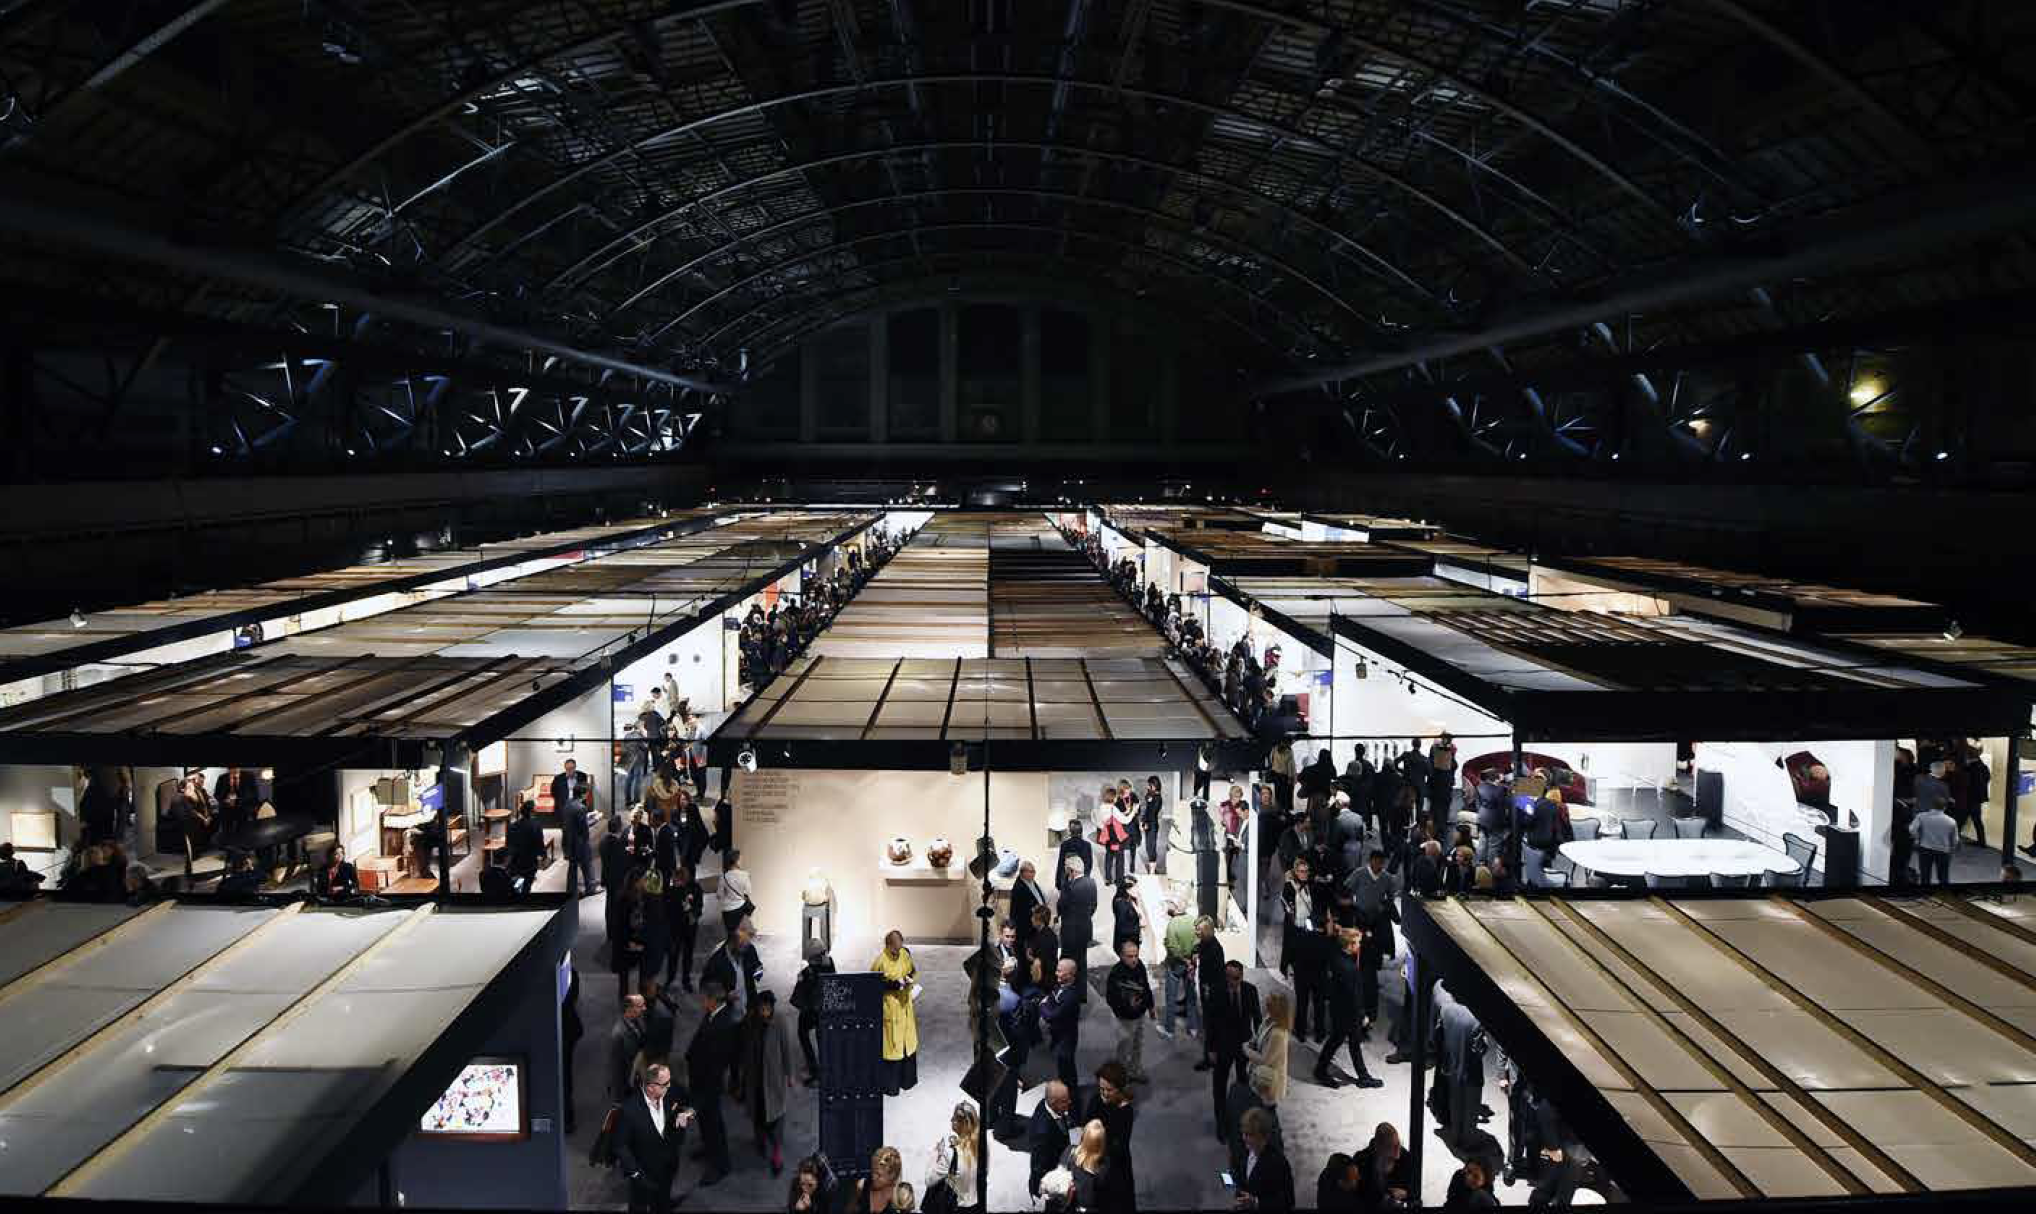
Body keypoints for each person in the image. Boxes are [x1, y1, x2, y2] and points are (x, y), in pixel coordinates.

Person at [615, 1061, 694, 1214]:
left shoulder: (673, 1091)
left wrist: (686, 1115)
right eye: (665, 1084)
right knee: (639, 1204)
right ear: (651, 1087)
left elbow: (688, 1103)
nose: (670, 1086)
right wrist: (635, 1173)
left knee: (662, 1199)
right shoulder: (629, 1110)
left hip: (668, 1163)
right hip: (643, 1171)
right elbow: (620, 1145)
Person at [1317, 928, 1386, 1089]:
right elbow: (1353, 996)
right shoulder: (1348, 967)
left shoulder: (1337, 958)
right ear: (1350, 945)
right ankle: (1322, 1071)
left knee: (1347, 1041)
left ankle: (1362, 1076)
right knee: (1340, 1040)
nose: (1360, 945)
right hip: (1347, 1013)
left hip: (1339, 1009)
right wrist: (1362, 1015)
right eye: (1358, 943)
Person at [686, 980, 738, 1186]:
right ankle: (708, 1148)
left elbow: (717, 1061)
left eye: (704, 998)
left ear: (712, 1000)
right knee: (705, 1120)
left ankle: (720, 1165)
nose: (702, 1002)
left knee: (713, 1123)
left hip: (709, 1083)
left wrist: (706, 1087)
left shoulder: (723, 1024)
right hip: (700, 1079)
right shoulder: (713, 1015)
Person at [740, 990, 798, 1175]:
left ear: (772, 1007)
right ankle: (760, 1140)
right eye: (761, 1008)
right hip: (755, 1077)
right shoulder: (751, 1021)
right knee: (758, 1110)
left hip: (773, 1078)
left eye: (767, 1008)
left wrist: (789, 1074)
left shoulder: (779, 1021)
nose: (764, 1011)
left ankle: (777, 1153)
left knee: (776, 1115)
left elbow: (786, 1048)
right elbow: (745, 1047)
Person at [1207, 960, 1262, 1142]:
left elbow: (1257, 1019)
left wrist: (1259, 1044)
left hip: (1244, 1045)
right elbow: (1210, 1022)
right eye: (1229, 977)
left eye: (1236, 978)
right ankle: (1221, 1125)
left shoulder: (1250, 991)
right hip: (1223, 1046)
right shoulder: (1216, 991)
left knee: (1244, 1085)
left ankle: (1244, 1123)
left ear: (1242, 976)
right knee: (1219, 1087)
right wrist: (1211, 1048)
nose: (1232, 982)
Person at [1082, 1061, 1138, 1205]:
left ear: (1120, 1089)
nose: (1104, 1094)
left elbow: (1118, 1146)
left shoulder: (1125, 1112)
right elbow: (1086, 1125)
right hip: (1094, 1156)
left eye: (1109, 1090)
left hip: (1114, 1164)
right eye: (1101, 1089)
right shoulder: (1096, 1100)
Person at [873, 929, 921, 1095]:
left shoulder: (904, 954)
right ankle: (891, 1086)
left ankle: (907, 1081)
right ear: (888, 946)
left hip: (905, 1007)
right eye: (895, 949)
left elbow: (913, 970)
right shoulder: (880, 961)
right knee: (893, 1047)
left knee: (907, 1044)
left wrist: (908, 979)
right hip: (891, 1010)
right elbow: (872, 985)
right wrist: (893, 985)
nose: (898, 952)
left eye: (900, 947)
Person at [1105, 938, 1155, 1083]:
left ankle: (1134, 1071)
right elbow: (1110, 998)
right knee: (1124, 1050)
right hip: (1125, 1019)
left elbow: (1145, 987)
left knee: (1137, 1045)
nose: (1134, 959)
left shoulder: (1140, 967)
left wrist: (1151, 1007)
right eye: (1130, 956)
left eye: (1136, 955)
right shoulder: (1116, 973)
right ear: (1121, 956)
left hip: (1139, 1016)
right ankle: (1120, 1079)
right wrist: (1126, 1006)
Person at [1234, 1106, 1295, 1211]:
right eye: (1243, 1133)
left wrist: (1256, 1203)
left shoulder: (1278, 1163)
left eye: (1249, 1135)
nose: (1244, 1138)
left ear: (1263, 1136)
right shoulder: (1244, 1153)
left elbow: (1288, 1201)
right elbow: (1240, 1179)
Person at [925, 1102, 982, 1211]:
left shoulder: (949, 1153)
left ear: (962, 1124)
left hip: (956, 1206)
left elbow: (929, 1180)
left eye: (954, 1118)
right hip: (975, 1203)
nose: (951, 1120)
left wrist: (936, 1154)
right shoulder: (982, 1147)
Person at [790, 944, 834, 1085]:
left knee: (803, 1033)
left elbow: (801, 993)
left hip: (811, 1010)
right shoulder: (830, 964)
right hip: (825, 1009)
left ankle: (815, 1071)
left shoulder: (808, 972)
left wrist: (803, 976)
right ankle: (826, 1070)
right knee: (822, 1038)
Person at [1160, 899, 1202, 1043]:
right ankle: (1193, 1028)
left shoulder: (1172, 925)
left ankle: (1169, 1029)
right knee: (1190, 996)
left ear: (1174, 908)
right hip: (1191, 965)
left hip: (1176, 965)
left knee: (1171, 997)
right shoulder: (1193, 921)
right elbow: (1198, 943)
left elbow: (1173, 948)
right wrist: (1192, 961)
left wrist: (1184, 960)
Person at [703, 917, 764, 1016]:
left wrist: (758, 970)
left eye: (750, 937)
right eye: (745, 939)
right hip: (727, 1015)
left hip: (747, 1008)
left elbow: (757, 965)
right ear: (734, 937)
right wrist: (725, 996)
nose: (748, 943)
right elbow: (707, 985)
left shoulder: (749, 949)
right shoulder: (717, 959)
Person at [1027, 1081, 1077, 1198]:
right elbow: (1040, 1165)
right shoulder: (1042, 1133)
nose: (1070, 1102)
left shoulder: (1045, 1103)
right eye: (1065, 1101)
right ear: (1054, 1103)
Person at [555, 759, 598, 895]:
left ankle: (571, 890)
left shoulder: (568, 805)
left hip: (570, 842)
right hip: (580, 843)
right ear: (584, 794)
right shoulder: (581, 807)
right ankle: (590, 888)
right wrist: (594, 820)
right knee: (587, 865)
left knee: (572, 868)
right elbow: (584, 829)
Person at [1059, 855, 1098, 1002]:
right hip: (1084, 930)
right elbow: (1094, 906)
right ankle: (1082, 995)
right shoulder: (1092, 883)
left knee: (1067, 963)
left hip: (1070, 931)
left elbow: (1061, 906)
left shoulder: (1069, 886)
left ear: (1071, 870)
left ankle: (1067, 995)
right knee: (1081, 963)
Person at [1041, 957, 1084, 1089]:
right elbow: (1051, 1000)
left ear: (1070, 975)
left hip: (1066, 1040)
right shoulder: (1060, 985)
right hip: (1058, 1036)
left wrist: (1042, 1006)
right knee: (1063, 1068)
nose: (1056, 973)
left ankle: (1071, 1097)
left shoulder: (1071, 996)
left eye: (1059, 971)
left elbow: (1051, 1016)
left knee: (1067, 1070)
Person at [1059, 1119, 1119, 1213]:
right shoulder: (1105, 1166)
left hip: (1070, 1205)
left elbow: (1060, 1174)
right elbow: (1107, 1194)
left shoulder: (1069, 1151)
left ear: (1084, 1135)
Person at [1245, 989, 1292, 1104]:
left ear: (1276, 1009)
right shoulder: (1268, 1019)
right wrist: (1252, 1042)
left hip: (1269, 1081)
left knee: (1266, 1111)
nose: (1265, 1005)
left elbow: (1264, 1060)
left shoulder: (1278, 1033)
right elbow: (1259, 1037)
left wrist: (1245, 1050)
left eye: (1268, 1004)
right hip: (1260, 1076)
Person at [1354, 1123, 1414, 1210]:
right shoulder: (1361, 1160)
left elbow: (1415, 1191)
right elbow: (1357, 1192)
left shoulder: (1407, 1159)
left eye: (1398, 1143)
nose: (1397, 1148)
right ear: (1378, 1147)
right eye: (1391, 1145)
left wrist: (1406, 1194)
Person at [664, 865, 703, 990]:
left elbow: (699, 906)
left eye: (676, 880)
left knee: (688, 954)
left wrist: (694, 915)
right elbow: (667, 909)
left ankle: (686, 980)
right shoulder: (671, 890)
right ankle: (670, 979)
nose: (674, 882)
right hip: (675, 927)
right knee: (673, 954)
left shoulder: (695, 888)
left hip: (689, 927)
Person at [839, 1146, 905, 1213]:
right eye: (873, 1171)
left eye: (879, 1175)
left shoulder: (899, 1195)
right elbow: (848, 1211)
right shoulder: (862, 1186)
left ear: (892, 1176)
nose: (873, 1177)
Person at [1912, 793, 1959, 886]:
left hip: (1925, 849)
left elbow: (1912, 829)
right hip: (1943, 851)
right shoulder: (1951, 821)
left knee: (1925, 875)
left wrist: (1917, 839)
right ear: (1945, 807)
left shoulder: (1921, 816)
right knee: (1943, 876)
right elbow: (1955, 840)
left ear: (1932, 805)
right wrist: (1951, 850)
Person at [613, 994, 648, 1103]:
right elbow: (617, 1068)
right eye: (640, 1006)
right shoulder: (619, 1034)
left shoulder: (636, 1022)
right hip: (627, 1085)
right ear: (629, 1009)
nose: (644, 1009)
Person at [1011, 860, 1048, 959]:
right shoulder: (1019, 888)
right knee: (1027, 954)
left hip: (1036, 924)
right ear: (1023, 873)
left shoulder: (1030, 882)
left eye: (1034, 871)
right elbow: (1021, 911)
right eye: (1031, 872)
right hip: (1027, 928)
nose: (1033, 874)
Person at [506, 800, 544, 892]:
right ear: (531, 811)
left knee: (514, 884)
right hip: (530, 861)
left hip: (516, 860)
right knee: (527, 886)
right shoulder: (536, 825)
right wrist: (542, 855)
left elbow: (508, 843)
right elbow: (539, 843)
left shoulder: (512, 826)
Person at [720, 849, 755, 935]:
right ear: (736, 861)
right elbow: (749, 892)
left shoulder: (723, 877)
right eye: (740, 859)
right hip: (740, 909)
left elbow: (719, 895)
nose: (741, 861)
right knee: (742, 935)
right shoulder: (745, 875)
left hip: (727, 911)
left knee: (731, 935)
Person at [1056, 819, 1095, 893]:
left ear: (1070, 831)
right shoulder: (1087, 845)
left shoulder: (1065, 845)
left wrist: (1058, 883)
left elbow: (1060, 865)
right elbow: (1089, 865)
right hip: (1082, 880)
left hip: (1068, 880)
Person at [1110, 878, 1143, 956]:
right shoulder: (1121, 903)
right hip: (1127, 943)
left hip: (1132, 940)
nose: (1137, 890)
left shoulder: (1130, 900)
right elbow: (1123, 926)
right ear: (1127, 890)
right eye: (1134, 887)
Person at [1140, 776, 1165, 873]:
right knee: (1147, 846)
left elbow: (1152, 813)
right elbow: (1147, 810)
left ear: (1155, 785)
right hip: (1148, 823)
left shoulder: (1158, 798)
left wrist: (1146, 823)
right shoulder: (1151, 795)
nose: (1148, 786)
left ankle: (1152, 870)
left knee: (1151, 847)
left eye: (1150, 785)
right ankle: (1153, 869)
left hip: (1152, 824)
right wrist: (1143, 822)